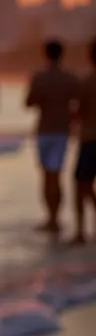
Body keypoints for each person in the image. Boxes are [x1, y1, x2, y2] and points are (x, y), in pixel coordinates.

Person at [25, 39, 79, 234]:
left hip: (45, 131)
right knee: (57, 175)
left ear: (45, 55)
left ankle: (52, 218)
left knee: (47, 176)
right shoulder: (70, 78)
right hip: (62, 131)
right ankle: (55, 218)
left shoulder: (39, 77)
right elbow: (80, 104)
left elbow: (29, 103)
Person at [70, 40, 96, 244]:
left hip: (89, 140)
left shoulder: (87, 82)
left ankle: (80, 231)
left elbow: (79, 112)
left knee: (80, 185)